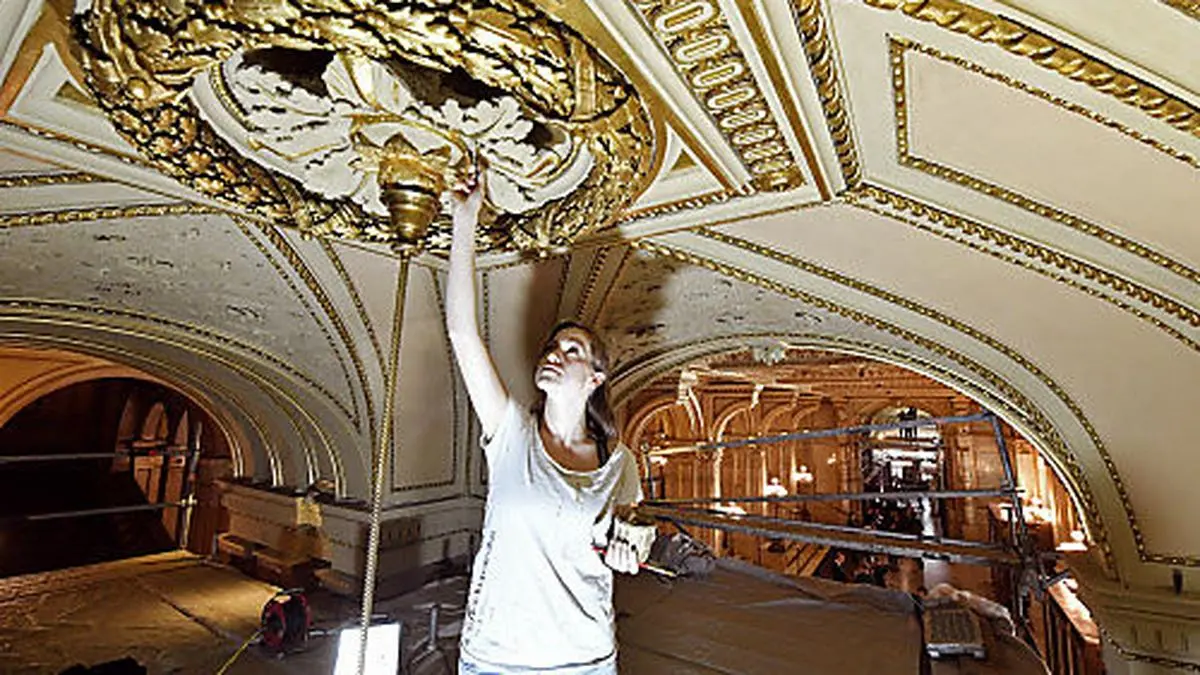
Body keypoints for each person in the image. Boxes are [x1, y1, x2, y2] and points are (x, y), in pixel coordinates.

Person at [446, 173, 653, 674]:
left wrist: (632, 549)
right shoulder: (512, 435)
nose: (556, 353)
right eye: (553, 346)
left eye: (573, 350)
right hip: (496, 659)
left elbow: (629, 536)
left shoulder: (619, 463)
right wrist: (464, 222)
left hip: (585, 659)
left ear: (596, 378)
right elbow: (462, 333)